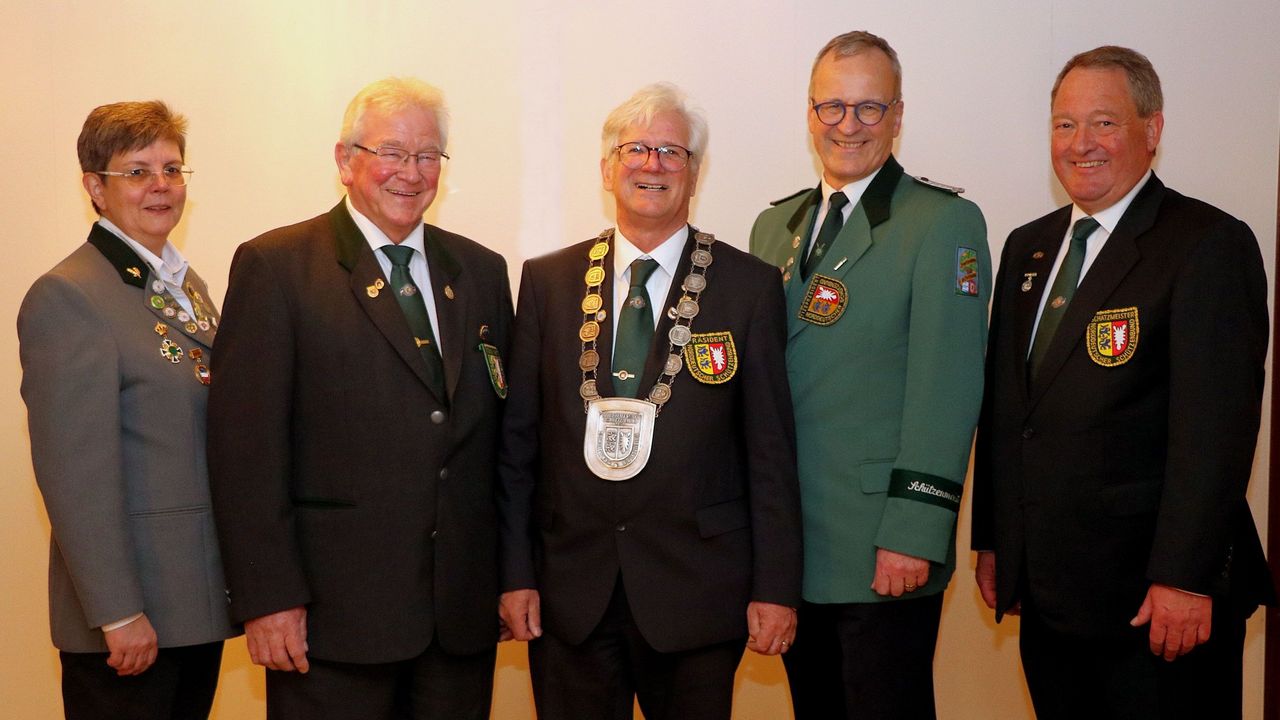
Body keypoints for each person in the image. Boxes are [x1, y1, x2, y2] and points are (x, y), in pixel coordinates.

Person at [971, 45, 1276, 719]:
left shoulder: (1206, 244)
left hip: (1155, 605)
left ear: (1152, 131)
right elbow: (1009, 408)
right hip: (1051, 597)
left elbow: (1215, 432)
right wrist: (995, 540)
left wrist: (1183, 578)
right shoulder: (1029, 246)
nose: (1082, 144)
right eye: (1064, 124)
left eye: (1104, 122)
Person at [206, 77, 513, 720]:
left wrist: (511, 575)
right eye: (390, 152)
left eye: (428, 155)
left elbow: (499, 445)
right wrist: (267, 599)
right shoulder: (278, 266)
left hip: (456, 619)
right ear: (345, 161)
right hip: (330, 623)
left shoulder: (481, 272)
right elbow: (246, 454)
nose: (410, 172)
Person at [497, 82, 802, 720]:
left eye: (672, 152)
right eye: (635, 149)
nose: (653, 164)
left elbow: (769, 448)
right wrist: (515, 573)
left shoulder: (748, 287)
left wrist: (776, 588)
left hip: (699, 593)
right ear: (608, 167)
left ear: (695, 171)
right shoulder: (547, 283)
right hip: (569, 595)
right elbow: (518, 445)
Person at [749, 30, 991, 719]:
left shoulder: (941, 223)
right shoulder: (774, 227)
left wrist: (914, 531)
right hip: (795, 544)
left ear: (898, 114)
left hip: (881, 544)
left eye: (868, 109)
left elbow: (947, 391)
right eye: (832, 107)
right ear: (809, 113)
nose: (847, 126)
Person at [18, 100, 235, 719]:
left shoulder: (184, 287)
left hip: (191, 605)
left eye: (172, 168)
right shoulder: (69, 295)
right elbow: (74, 475)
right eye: (137, 171)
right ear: (95, 187)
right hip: (129, 623)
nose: (161, 186)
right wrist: (116, 611)